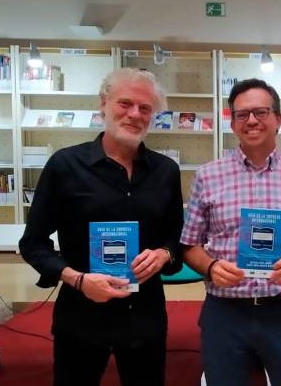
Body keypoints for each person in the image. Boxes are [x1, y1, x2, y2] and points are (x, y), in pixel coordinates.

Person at [19, 68, 183, 386]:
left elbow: (176, 237)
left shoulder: (166, 172)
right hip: (81, 316)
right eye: (125, 103)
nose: (135, 114)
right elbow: (33, 243)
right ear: (103, 104)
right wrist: (77, 279)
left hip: (144, 316)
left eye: (145, 108)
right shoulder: (65, 166)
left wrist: (164, 254)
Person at [181, 78, 281, 386]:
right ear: (233, 122)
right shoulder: (207, 176)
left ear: (278, 119)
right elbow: (189, 245)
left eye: (261, 112)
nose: (251, 120)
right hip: (225, 312)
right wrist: (211, 266)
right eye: (242, 114)